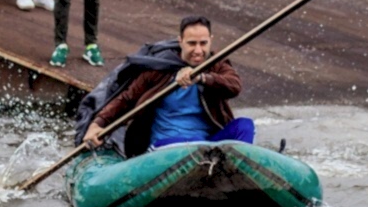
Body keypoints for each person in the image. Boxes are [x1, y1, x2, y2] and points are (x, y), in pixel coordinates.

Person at [82, 15, 254, 154]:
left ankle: (233, 173)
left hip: (207, 144)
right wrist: (97, 124)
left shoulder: (216, 64)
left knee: (245, 126)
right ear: (180, 41)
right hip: (167, 145)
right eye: (192, 43)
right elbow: (126, 99)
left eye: (203, 43)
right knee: (193, 146)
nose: (198, 51)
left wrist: (202, 78)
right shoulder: (159, 68)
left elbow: (234, 86)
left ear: (211, 40)